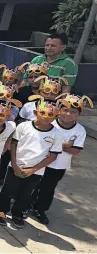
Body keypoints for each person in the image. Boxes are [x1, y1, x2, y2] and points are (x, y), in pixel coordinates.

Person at [0, 96, 62, 228]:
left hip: (36, 171)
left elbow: (52, 156)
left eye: (51, 114)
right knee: (8, 190)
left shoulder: (57, 134)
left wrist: (33, 169)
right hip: (15, 166)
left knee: (26, 194)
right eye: (42, 113)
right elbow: (13, 145)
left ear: (55, 116)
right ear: (36, 113)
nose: (46, 117)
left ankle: (17, 214)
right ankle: (1, 210)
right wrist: (14, 165)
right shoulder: (24, 126)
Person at [30, 94, 89, 225]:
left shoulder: (80, 130)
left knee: (48, 188)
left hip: (58, 165)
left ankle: (40, 209)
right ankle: (26, 205)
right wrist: (66, 144)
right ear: (58, 110)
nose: (68, 114)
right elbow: (40, 139)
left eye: (73, 112)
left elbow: (75, 150)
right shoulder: (49, 122)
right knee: (33, 184)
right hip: (41, 161)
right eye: (65, 110)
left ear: (79, 114)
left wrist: (56, 144)